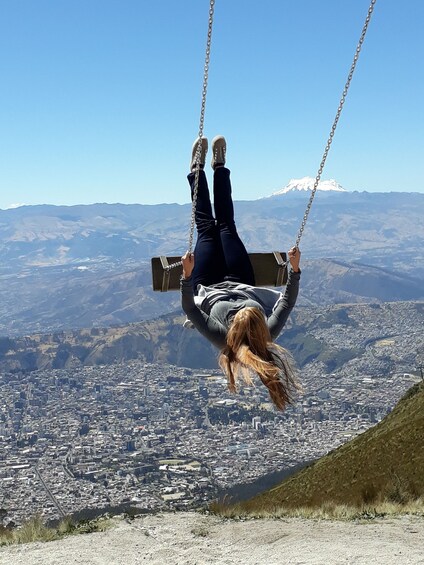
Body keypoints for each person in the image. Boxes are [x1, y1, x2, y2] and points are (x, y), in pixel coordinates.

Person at [180, 135, 301, 410]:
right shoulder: (267, 332)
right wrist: (295, 270)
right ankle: (220, 166)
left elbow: (189, 308)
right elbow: (287, 302)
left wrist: (186, 276)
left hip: (208, 283)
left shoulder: (222, 338)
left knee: (207, 228)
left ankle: (196, 171)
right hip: (240, 280)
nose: (237, 313)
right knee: (226, 226)